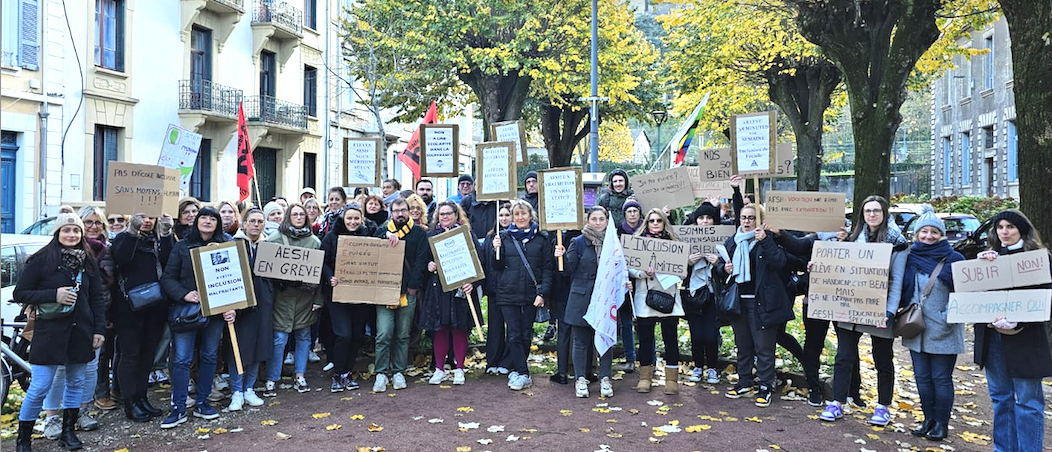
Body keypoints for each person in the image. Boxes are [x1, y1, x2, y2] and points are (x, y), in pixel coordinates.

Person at [14, 213, 107, 452]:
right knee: (40, 386)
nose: (71, 235)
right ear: (57, 233)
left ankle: (68, 432)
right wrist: (52, 294)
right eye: (66, 230)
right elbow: (20, 293)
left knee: (76, 381)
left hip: (81, 331)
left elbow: (96, 297)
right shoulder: (42, 259)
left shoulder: (87, 260)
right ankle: (23, 439)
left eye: (76, 231)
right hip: (50, 332)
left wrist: (99, 329)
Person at [820, 195, 907, 425]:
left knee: (883, 359)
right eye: (868, 211)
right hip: (851, 307)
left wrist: (889, 312)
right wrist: (819, 267)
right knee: (844, 356)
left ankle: (883, 406)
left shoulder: (897, 243)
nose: (872, 215)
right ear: (862, 214)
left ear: (884, 213)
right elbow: (840, 270)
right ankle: (837, 402)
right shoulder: (852, 239)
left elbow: (897, 280)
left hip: (879, 309)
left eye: (876, 211)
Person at [973, 209, 1052, 452]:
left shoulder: (1038, 258)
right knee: (1001, 399)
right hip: (994, 338)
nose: (1004, 232)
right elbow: (974, 295)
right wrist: (981, 269)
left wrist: (1020, 321)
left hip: (1025, 340)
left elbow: (1045, 297)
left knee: (1028, 401)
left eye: (1010, 227)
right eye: (1000, 227)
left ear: (1021, 230)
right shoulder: (989, 258)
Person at [891, 205, 965, 441]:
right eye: (924, 232)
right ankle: (928, 419)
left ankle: (942, 423)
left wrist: (947, 318)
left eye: (934, 232)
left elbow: (963, 295)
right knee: (922, 378)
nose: (928, 236)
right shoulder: (910, 257)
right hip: (915, 328)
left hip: (944, 329)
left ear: (941, 234)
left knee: (941, 379)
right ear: (917, 234)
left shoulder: (955, 259)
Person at [159, 207, 236, 428]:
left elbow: (235, 278)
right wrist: (184, 294)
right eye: (204, 217)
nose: (208, 221)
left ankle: (203, 403)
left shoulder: (226, 245)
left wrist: (234, 307)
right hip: (188, 312)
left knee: (210, 356)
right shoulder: (182, 246)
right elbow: (168, 278)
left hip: (217, 311)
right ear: (197, 221)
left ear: (218, 223)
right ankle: (179, 407)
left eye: (213, 218)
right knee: (182, 359)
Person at [38, 207, 113, 433]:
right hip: (60, 320)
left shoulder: (105, 252)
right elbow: (27, 288)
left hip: (91, 319)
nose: (93, 226)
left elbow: (100, 293)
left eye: (97, 222)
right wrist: (52, 296)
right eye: (87, 222)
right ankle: (51, 417)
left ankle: (80, 411)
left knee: (88, 370)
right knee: (60, 370)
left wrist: (101, 323)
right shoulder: (51, 255)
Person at [110, 213, 174, 423]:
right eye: (143, 217)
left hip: (155, 307)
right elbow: (122, 258)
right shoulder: (123, 238)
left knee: (147, 355)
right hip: (129, 308)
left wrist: (166, 233)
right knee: (130, 355)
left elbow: (169, 262)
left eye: (151, 217)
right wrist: (131, 232)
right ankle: (130, 403)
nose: (148, 221)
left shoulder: (157, 240)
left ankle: (141, 397)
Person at [489, 200, 553, 391]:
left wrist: (542, 293)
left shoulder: (541, 239)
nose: (520, 218)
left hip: (531, 294)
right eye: (516, 215)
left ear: (530, 215)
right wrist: (495, 250)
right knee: (514, 334)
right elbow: (496, 267)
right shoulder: (504, 238)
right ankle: (523, 372)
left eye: (523, 214)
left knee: (526, 334)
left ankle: (519, 368)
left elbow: (547, 269)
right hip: (508, 293)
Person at [555, 206, 616, 398]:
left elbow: (620, 267)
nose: (598, 222)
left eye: (601, 219)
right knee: (580, 341)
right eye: (594, 219)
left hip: (606, 298)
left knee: (605, 338)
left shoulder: (613, 242)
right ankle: (580, 379)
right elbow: (567, 270)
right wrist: (561, 257)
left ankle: (606, 378)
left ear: (607, 221)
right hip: (582, 298)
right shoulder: (578, 242)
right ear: (588, 221)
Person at [372, 198, 429, 392]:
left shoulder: (419, 233)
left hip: (408, 292)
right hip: (384, 292)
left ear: (409, 211)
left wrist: (413, 285)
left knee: (403, 334)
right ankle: (380, 372)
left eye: (403, 210)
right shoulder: (381, 230)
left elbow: (422, 260)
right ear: (391, 212)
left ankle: (398, 371)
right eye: (396, 211)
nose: (400, 214)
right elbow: (371, 249)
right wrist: (385, 236)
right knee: (384, 333)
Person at [264, 204, 323, 394]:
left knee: (304, 337)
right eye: (294, 214)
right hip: (282, 299)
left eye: (301, 214)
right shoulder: (274, 240)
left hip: (305, 298)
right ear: (288, 217)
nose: (298, 217)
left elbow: (319, 273)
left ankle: (300, 376)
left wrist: (318, 299)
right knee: (279, 339)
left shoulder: (314, 242)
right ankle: (272, 379)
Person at [422, 201, 480, 386]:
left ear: (457, 215)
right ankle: (439, 369)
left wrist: (473, 282)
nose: (445, 217)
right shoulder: (431, 236)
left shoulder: (467, 235)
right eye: (442, 214)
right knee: (440, 329)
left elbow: (478, 263)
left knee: (459, 328)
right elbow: (423, 261)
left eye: (449, 213)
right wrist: (428, 265)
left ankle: (460, 369)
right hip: (437, 290)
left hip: (460, 290)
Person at [321, 204, 376, 392]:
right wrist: (330, 277)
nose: (353, 222)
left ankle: (347, 373)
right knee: (343, 334)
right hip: (338, 295)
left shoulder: (368, 237)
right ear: (343, 219)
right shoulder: (331, 238)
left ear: (361, 220)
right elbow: (323, 262)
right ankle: (338, 373)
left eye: (356, 219)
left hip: (360, 295)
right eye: (349, 218)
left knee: (356, 335)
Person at [629, 208, 684, 395]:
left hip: (669, 296)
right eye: (651, 220)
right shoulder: (637, 243)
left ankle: (671, 379)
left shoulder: (674, 243)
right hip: (645, 297)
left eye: (658, 220)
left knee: (671, 339)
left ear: (664, 222)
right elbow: (630, 268)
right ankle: (645, 377)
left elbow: (682, 270)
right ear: (646, 222)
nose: (654, 223)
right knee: (645, 340)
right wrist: (644, 272)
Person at [226, 208, 275, 411]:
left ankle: (249, 388)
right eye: (252, 221)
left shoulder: (269, 246)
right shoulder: (232, 245)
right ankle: (236, 391)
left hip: (263, 303)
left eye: (260, 221)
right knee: (237, 347)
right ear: (244, 223)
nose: (256, 225)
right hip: (240, 305)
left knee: (258, 347)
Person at [681, 203, 722, 385]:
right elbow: (675, 265)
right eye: (701, 218)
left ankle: (712, 368)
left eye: (708, 218)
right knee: (696, 334)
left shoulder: (723, 239)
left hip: (713, 293)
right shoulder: (686, 239)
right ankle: (698, 366)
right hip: (693, 293)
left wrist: (718, 262)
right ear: (696, 221)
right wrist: (687, 262)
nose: (705, 222)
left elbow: (729, 269)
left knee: (711, 334)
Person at [482, 202, 513, 375]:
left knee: (512, 327)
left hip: (511, 289)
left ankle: (508, 361)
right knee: (495, 327)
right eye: (501, 215)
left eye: (507, 215)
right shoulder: (489, 238)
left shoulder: (515, 237)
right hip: (494, 289)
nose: (504, 218)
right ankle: (492, 360)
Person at [615, 199, 643, 372]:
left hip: (645, 280)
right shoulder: (618, 231)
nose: (632, 214)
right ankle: (630, 358)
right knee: (626, 322)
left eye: (635, 211)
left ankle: (651, 358)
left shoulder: (648, 230)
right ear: (625, 214)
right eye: (629, 211)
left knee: (645, 321)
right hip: (625, 281)